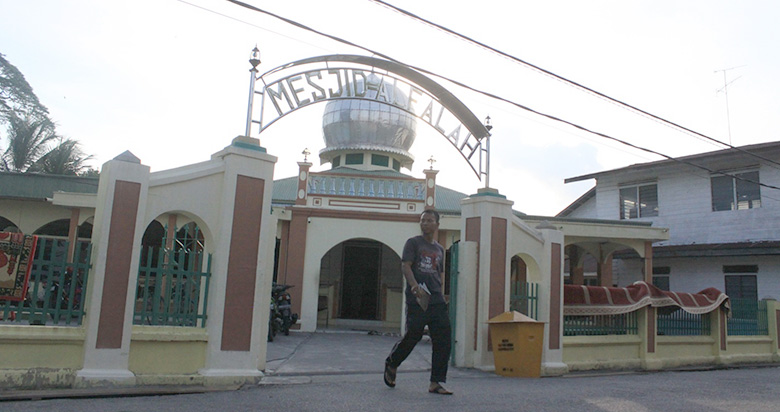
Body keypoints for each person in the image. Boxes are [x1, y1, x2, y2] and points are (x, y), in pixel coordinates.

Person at [384, 209, 453, 395]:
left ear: (437, 225)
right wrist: (414, 286)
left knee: (443, 339)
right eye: (423, 220)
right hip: (418, 297)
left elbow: (439, 274)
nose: (425, 223)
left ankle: (436, 382)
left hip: (436, 299)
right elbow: (405, 265)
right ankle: (393, 362)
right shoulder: (413, 243)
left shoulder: (439, 249)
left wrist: (442, 294)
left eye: (429, 220)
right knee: (413, 335)